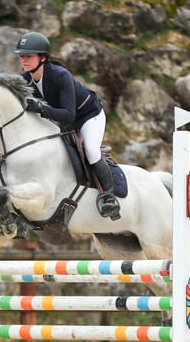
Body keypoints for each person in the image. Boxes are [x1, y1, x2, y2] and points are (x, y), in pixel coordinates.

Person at [15, 31, 120, 219]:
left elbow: (69, 114)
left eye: (29, 56)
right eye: (22, 56)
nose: (24, 60)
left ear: (43, 58)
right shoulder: (25, 79)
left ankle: (108, 196)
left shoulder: (60, 75)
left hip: (88, 116)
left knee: (91, 150)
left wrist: (41, 109)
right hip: (59, 121)